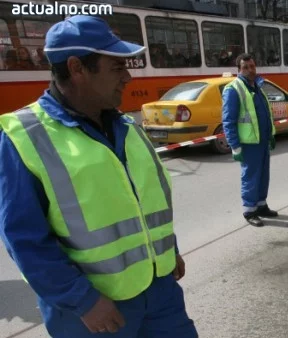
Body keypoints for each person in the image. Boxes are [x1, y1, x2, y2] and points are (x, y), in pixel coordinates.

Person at [0, 16, 198, 337]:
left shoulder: (127, 126)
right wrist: (82, 300)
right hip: (95, 309)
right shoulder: (24, 136)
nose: (128, 77)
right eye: (117, 68)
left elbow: (146, 199)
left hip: (159, 291)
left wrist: (168, 250)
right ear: (77, 68)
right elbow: (24, 239)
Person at [222, 53, 278, 227]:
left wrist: (270, 136)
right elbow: (228, 120)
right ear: (239, 70)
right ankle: (249, 210)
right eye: (245, 67)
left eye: (252, 66)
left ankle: (261, 205)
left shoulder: (257, 87)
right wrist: (235, 146)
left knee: (263, 175)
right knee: (250, 177)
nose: (250, 70)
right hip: (248, 144)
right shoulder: (234, 89)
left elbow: (265, 114)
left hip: (261, 141)